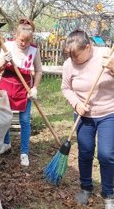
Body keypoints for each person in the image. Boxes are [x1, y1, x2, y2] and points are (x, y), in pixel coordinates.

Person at [61, 30, 114, 208]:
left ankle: (108, 193)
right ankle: (85, 187)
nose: (73, 60)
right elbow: (66, 88)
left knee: (106, 155)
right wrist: (76, 104)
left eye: (76, 55)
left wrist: (113, 68)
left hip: (108, 113)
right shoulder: (69, 63)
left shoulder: (107, 54)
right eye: (70, 56)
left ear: (88, 48)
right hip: (84, 115)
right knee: (85, 152)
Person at [0, 19, 43, 166]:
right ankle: (6, 143)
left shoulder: (34, 50)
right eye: (21, 40)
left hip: (25, 89)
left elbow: (39, 70)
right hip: (7, 87)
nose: (23, 44)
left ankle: (24, 152)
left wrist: (35, 88)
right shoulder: (7, 46)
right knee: (5, 118)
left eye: (27, 42)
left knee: (24, 121)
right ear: (16, 36)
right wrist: (5, 60)